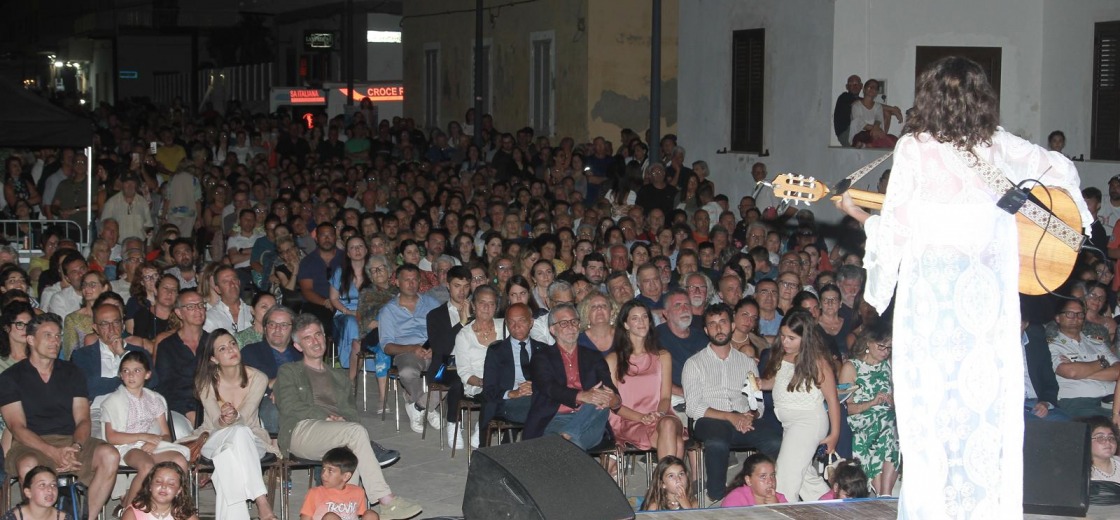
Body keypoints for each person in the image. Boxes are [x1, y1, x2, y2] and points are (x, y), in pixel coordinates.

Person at [836, 56, 1092, 518]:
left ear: (930, 96)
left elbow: (896, 229)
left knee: (933, 414)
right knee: (984, 415)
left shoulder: (915, 147)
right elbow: (1061, 170)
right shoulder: (999, 145)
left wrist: (857, 219)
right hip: (987, 315)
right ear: (981, 99)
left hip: (933, 310)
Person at [276, 314, 419, 520]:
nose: (315, 341)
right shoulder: (289, 371)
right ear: (298, 346)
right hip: (301, 431)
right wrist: (327, 416)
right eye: (307, 338)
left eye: (318, 335)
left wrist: (343, 421)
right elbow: (290, 406)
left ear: (325, 337)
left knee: (354, 438)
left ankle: (346, 514)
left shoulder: (338, 376)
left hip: (337, 433)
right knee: (354, 433)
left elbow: (351, 412)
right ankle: (386, 500)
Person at [0, 313, 120, 520]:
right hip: (31, 444)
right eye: (48, 335)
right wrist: (52, 452)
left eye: (58, 336)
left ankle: (86, 518)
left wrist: (76, 447)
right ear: (30, 340)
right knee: (28, 464)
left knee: (110, 455)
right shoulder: (11, 377)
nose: (55, 341)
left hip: (70, 440)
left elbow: (83, 419)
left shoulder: (72, 372)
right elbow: (17, 427)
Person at [683, 303, 782, 502]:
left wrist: (749, 416)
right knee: (717, 442)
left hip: (743, 417)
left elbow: (758, 403)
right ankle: (717, 497)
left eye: (723, 322)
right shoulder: (694, 363)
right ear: (705, 330)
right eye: (712, 324)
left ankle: (761, 492)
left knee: (774, 439)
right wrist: (730, 416)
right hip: (710, 419)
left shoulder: (746, 362)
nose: (718, 328)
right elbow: (693, 408)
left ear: (732, 326)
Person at [184, 328, 279, 520]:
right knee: (236, 433)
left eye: (232, 344)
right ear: (214, 359)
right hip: (213, 437)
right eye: (222, 348)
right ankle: (262, 502)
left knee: (232, 449)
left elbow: (247, 414)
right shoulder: (205, 381)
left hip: (252, 439)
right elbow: (213, 419)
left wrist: (234, 416)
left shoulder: (258, 378)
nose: (231, 350)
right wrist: (223, 419)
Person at [758, 310, 839, 502]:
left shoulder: (817, 362)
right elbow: (775, 382)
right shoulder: (781, 356)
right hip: (790, 424)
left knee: (785, 479)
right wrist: (759, 384)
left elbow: (832, 399)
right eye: (783, 336)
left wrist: (834, 435)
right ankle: (834, 509)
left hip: (809, 422)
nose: (785, 342)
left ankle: (782, 512)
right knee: (805, 479)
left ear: (806, 338)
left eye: (792, 338)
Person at [522, 303, 620, 450]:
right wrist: (581, 396)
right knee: (572, 445)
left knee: (600, 398)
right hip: (555, 418)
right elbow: (549, 388)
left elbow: (610, 389)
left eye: (574, 322)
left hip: (591, 419)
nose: (571, 327)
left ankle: (567, 435)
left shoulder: (594, 356)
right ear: (552, 330)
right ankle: (568, 440)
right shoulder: (542, 357)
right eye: (563, 323)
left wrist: (614, 400)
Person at [101, 351, 190, 512]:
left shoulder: (155, 400)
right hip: (126, 447)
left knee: (180, 461)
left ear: (147, 374)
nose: (131, 375)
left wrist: (153, 442)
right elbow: (111, 437)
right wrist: (143, 436)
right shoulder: (112, 401)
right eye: (126, 371)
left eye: (137, 370)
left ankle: (175, 509)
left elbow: (166, 434)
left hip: (151, 445)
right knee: (147, 466)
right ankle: (128, 509)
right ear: (121, 375)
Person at [605, 301, 684, 461]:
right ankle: (669, 484)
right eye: (635, 318)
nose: (641, 322)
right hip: (631, 420)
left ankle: (667, 483)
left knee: (668, 424)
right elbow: (613, 404)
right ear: (626, 325)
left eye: (644, 317)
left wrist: (659, 414)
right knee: (677, 443)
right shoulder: (613, 360)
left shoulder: (663, 356)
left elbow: (665, 398)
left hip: (662, 415)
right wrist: (642, 417)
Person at [379, 264, 440, 434]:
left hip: (433, 350)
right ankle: (429, 408)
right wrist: (412, 348)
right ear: (397, 282)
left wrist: (435, 347)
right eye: (407, 280)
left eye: (415, 280)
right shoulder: (388, 311)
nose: (412, 284)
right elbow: (387, 346)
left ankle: (419, 407)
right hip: (407, 352)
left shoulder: (431, 303)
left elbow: (443, 330)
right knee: (406, 372)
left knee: (451, 374)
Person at [838, 325, 899, 497]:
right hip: (861, 418)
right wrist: (872, 402)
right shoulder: (851, 367)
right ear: (868, 342)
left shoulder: (890, 365)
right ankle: (884, 493)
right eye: (882, 347)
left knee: (889, 423)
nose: (885, 352)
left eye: (889, 348)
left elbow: (901, 401)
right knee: (887, 424)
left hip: (887, 418)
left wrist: (892, 401)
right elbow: (847, 407)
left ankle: (883, 493)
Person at [449, 285, 501, 449]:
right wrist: (482, 382)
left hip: (504, 380)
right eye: (482, 303)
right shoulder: (464, 335)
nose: (486, 307)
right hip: (476, 383)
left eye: (491, 303)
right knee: (491, 393)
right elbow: (464, 372)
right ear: (473, 305)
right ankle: (482, 429)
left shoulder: (505, 326)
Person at [1049, 298, 1118, 418]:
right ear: (1058, 318)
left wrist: (1082, 371)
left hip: (1112, 399)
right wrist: (1102, 363)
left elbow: (1118, 371)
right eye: (1069, 314)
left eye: (1080, 314)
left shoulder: (1097, 343)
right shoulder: (1052, 346)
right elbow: (1071, 372)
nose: (1075, 318)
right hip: (1079, 402)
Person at [240, 306, 303, 435]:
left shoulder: (301, 354)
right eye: (272, 324)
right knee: (274, 410)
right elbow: (246, 387)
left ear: (293, 330)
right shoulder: (251, 352)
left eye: (284, 325)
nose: (277, 329)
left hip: (300, 398)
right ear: (265, 328)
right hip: (265, 400)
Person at [479, 303, 541, 432]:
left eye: (521, 321)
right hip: (509, 403)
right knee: (545, 409)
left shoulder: (543, 350)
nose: (516, 326)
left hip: (537, 398)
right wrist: (513, 393)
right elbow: (489, 390)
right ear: (506, 324)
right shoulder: (496, 352)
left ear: (531, 322)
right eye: (511, 322)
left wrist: (535, 388)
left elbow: (554, 382)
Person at [155, 290, 210, 427]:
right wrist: (188, 411)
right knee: (179, 428)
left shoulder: (214, 342)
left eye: (201, 305)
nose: (198, 310)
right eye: (191, 306)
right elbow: (164, 388)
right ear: (179, 313)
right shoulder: (167, 346)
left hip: (212, 405)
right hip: (179, 409)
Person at [299, 447, 380, 520]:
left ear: (346, 476)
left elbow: (361, 515)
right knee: (330, 517)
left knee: (371, 515)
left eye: (330, 471)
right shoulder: (314, 493)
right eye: (323, 468)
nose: (324, 474)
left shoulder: (357, 492)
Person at [332, 236, 369, 373]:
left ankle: (356, 372)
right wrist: (348, 312)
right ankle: (353, 371)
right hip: (344, 313)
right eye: (353, 247)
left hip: (369, 313)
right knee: (352, 322)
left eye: (360, 246)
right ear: (348, 253)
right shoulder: (340, 272)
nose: (357, 250)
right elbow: (334, 299)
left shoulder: (374, 271)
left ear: (366, 250)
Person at [121, 461, 199, 520]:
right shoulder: (133, 514)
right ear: (150, 486)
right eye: (158, 482)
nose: (164, 486)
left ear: (179, 490)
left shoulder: (186, 516)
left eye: (171, 484)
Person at [1, 465, 71, 520]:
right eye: (42, 485)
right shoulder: (13, 517)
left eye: (53, 485)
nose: (50, 489)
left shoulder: (64, 518)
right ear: (28, 492)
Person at [721, 453, 787, 507]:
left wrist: (778, 508)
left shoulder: (779, 499)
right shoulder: (735, 499)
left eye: (772, 475)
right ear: (748, 480)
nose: (770, 481)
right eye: (763, 476)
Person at [834, 75, 863, 146]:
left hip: (858, 132)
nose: (854, 86)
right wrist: (892, 109)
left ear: (861, 86)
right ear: (847, 87)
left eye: (856, 84)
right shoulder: (844, 97)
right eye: (851, 84)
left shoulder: (862, 100)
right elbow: (863, 103)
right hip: (846, 133)